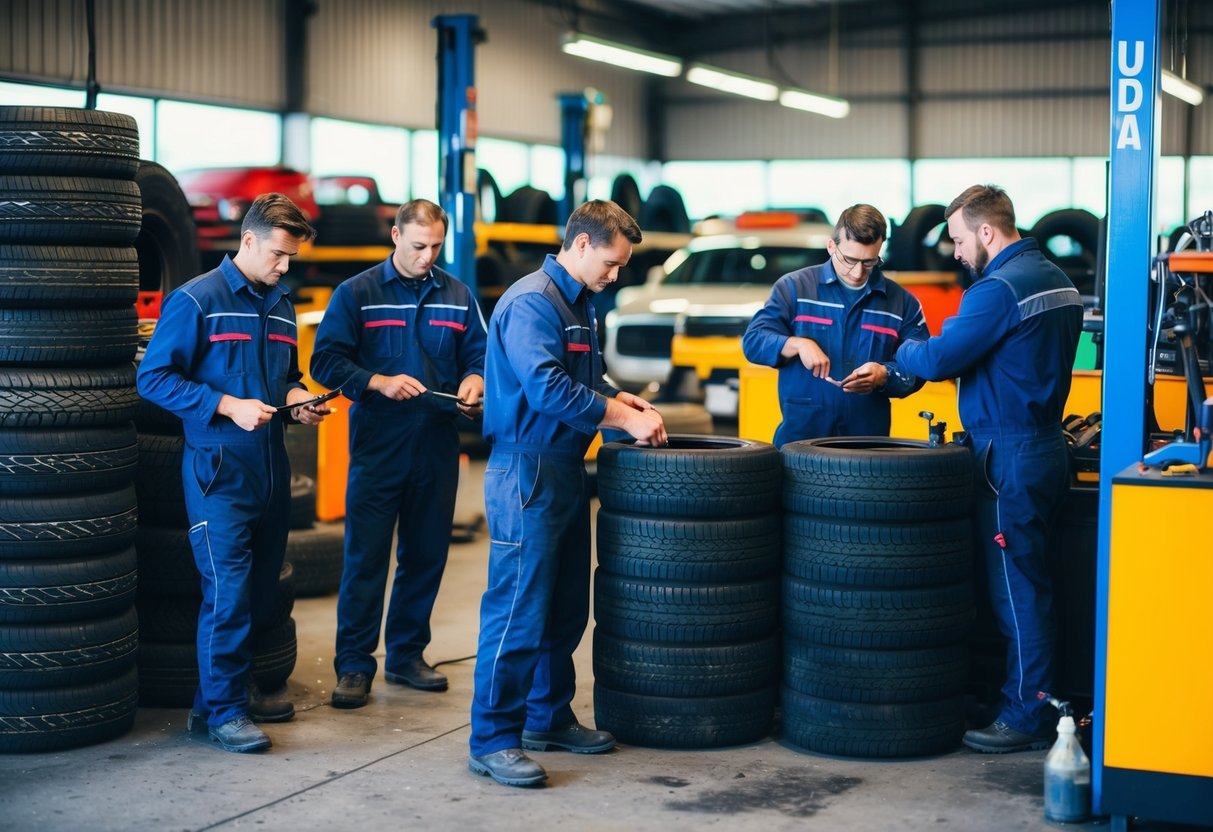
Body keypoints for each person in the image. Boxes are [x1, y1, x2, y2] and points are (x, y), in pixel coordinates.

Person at [468, 200, 667, 788]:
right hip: (526, 470)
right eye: (611, 262)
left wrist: (619, 399)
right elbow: (547, 386)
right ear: (580, 246)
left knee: (562, 607)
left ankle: (546, 717)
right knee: (519, 609)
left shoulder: (579, 303)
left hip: (563, 467)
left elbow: (584, 379)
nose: (616, 275)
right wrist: (618, 419)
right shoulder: (534, 302)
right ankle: (492, 738)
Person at [137, 193, 330, 753]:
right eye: (277, 254)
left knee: (258, 590)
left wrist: (300, 399)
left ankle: (216, 700)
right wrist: (226, 405)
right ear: (247, 241)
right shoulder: (196, 301)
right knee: (226, 594)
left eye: (291, 256)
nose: (284, 266)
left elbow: (286, 375)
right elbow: (154, 379)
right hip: (218, 471)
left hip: (270, 467)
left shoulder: (281, 304)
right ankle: (224, 711)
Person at [895, 185, 1083, 753]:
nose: (953, 252)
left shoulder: (996, 288)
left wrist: (902, 350)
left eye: (956, 239)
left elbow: (939, 358)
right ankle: (1028, 694)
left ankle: (1026, 715)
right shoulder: (1056, 278)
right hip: (1047, 444)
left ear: (985, 232)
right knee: (1035, 581)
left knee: (1015, 590)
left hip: (1007, 457)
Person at [310, 199, 487, 709]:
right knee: (365, 558)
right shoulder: (357, 293)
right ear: (395, 236)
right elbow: (325, 361)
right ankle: (354, 666)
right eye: (417, 246)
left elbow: (478, 353)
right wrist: (378, 382)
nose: (426, 256)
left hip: (436, 442)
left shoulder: (458, 294)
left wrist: (475, 379)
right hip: (378, 443)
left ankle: (407, 656)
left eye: (435, 247)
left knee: (425, 555)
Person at [741, 204, 929, 447]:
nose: (858, 272)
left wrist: (885, 374)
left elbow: (921, 364)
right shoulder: (794, 288)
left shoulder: (902, 303)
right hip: (801, 441)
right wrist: (797, 344)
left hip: (867, 446)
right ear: (832, 246)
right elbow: (754, 340)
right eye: (849, 259)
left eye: (869, 262)